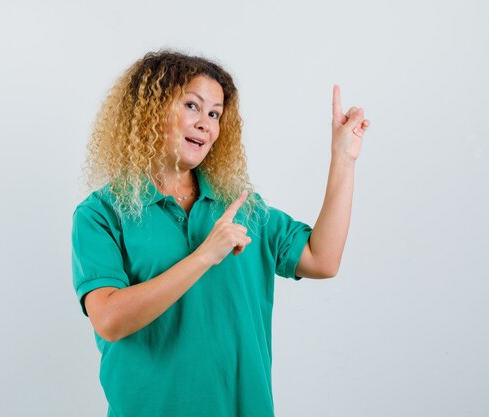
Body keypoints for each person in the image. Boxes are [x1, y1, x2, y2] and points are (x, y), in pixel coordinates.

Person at [72, 50, 370, 417]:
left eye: (214, 113)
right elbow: (109, 320)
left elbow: (322, 259)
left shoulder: (241, 207)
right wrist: (204, 255)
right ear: (149, 110)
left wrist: (343, 159)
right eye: (192, 106)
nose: (206, 124)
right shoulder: (102, 213)